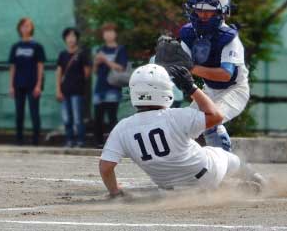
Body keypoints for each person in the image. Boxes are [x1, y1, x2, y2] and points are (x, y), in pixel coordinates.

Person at [99, 64, 265, 197]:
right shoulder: (177, 116)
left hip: (168, 190)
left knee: (197, 159)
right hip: (206, 176)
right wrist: (191, 88)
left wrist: (115, 192)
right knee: (225, 156)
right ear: (165, 90)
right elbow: (216, 117)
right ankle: (257, 179)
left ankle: (224, 188)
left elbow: (106, 167)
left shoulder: (122, 127)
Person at [179, 0, 249, 152]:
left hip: (234, 90)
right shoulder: (189, 34)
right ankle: (188, 166)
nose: (202, 15)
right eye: (198, 10)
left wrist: (190, 68)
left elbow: (225, 75)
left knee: (209, 121)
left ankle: (236, 169)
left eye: (208, 11)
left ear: (221, 12)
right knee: (184, 126)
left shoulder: (229, 38)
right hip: (209, 89)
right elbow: (179, 65)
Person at [9, 18, 46, 146]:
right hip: (18, 84)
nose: (25, 28)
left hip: (32, 85)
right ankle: (19, 140)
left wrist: (38, 85)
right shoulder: (15, 47)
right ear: (19, 28)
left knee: (34, 112)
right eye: (23, 26)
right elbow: (13, 67)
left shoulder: (37, 46)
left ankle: (36, 141)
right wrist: (11, 86)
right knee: (19, 113)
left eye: (28, 26)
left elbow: (40, 66)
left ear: (31, 28)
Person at [93, 23, 128, 148]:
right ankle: (99, 142)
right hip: (99, 88)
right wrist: (96, 63)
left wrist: (106, 61)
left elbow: (121, 68)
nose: (108, 34)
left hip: (112, 88)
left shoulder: (120, 49)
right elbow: (95, 72)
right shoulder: (100, 49)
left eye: (111, 31)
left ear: (115, 34)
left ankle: (114, 144)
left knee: (112, 117)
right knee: (98, 117)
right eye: (106, 32)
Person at [56, 27, 92, 148]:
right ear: (65, 39)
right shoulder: (62, 55)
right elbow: (59, 72)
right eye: (68, 37)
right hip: (65, 91)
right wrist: (58, 90)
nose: (71, 39)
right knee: (67, 118)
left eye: (73, 36)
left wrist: (79, 82)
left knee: (78, 118)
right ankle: (69, 140)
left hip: (78, 91)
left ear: (77, 39)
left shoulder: (82, 54)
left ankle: (80, 141)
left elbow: (87, 72)